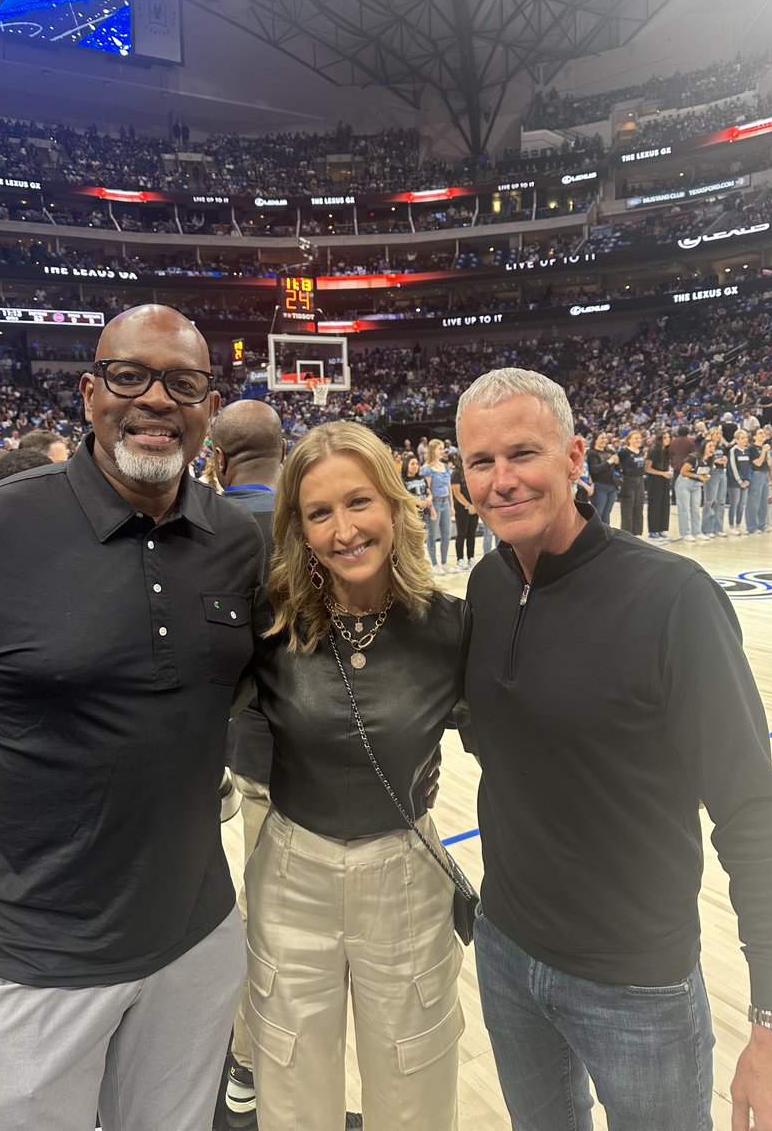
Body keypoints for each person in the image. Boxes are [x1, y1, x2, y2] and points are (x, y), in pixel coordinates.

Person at [0, 305, 265, 1131]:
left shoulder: (238, 543)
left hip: (196, 944)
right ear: (90, 391)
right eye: (131, 377)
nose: (157, 400)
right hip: (28, 967)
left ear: (210, 405)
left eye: (185, 383)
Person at [456, 367, 772, 1131]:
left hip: (637, 982)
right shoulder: (483, 586)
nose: (502, 481)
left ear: (575, 456)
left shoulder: (673, 599)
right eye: (481, 462)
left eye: (523, 454)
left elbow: (750, 813)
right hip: (505, 951)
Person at [245, 422, 467, 1131]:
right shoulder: (270, 626)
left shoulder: (453, 628)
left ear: (395, 505)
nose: (344, 530)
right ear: (298, 529)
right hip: (291, 877)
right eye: (319, 513)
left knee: (416, 1086)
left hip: (403, 877)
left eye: (359, 502)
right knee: (290, 1087)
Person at [211, 398, 285, 1120]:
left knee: (265, 919)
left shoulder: (201, 525)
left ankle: (245, 1061)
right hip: (328, 750)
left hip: (246, 751)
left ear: (219, 458)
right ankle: (249, 1056)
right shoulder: (313, 520)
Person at [420, 438, 455, 573]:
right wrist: (432, 508)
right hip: (433, 504)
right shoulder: (427, 469)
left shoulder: (445, 466)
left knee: (447, 534)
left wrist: (451, 506)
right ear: (433, 450)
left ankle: (444, 562)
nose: (443, 451)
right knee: (432, 535)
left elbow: (449, 487)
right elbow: (427, 490)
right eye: (440, 448)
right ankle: (434, 564)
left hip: (445, 502)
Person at [450, 450, 478, 570]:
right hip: (462, 508)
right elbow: (457, 493)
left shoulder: (472, 472)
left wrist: (476, 506)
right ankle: (460, 559)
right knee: (462, 533)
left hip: (474, 508)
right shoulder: (456, 473)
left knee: (472, 534)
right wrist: (468, 506)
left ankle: (471, 557)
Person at [643, 428, 672, 540]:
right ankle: (653, 530)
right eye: (665, 438)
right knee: (655, 505)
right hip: (655, 480)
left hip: (665, 479)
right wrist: (662, 473)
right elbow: (647, 468)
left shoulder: (666, 451)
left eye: (668, 437)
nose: (668, 439)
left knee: (664, 504)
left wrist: (667, 473)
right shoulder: (653, 450)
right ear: (660, 439)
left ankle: (661, 529)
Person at [585, 431, 618, 525]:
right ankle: (596, 537)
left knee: (607, 512)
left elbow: (617, 468)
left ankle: (606, 535)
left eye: (605, 438)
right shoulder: (591, 453)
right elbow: (594, 469)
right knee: (598, 513)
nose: (605, 440)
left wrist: (616, 462)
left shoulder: (609, 451)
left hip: (612, 485)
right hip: (599, 485)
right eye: (602, 438)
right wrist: (609, 461)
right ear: (595, 440)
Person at [616, 429, 645, 536]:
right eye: (636, 438)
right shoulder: (624, 453)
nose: (639, 440)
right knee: (627, 508)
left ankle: (637, 533)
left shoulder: (641, 451)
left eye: (640, 438)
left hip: (640, 480)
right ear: (629, 440)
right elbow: (617, 466)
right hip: (628, 481)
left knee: (638, 507)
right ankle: (626, 534)